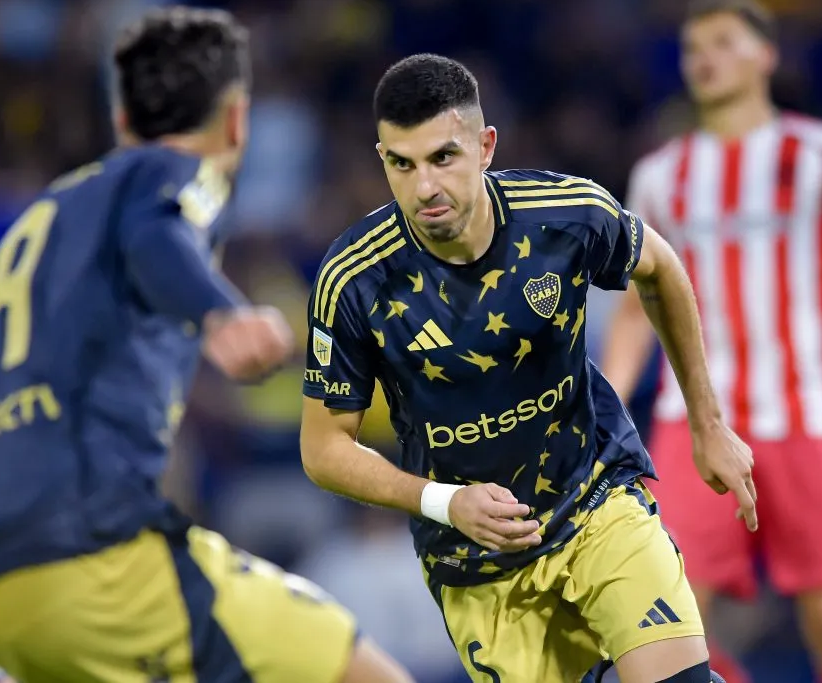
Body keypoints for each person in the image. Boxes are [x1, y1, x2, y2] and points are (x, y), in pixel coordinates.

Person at [0, 6, 413, 683]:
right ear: (237, 120)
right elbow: (157, 230)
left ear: (121, 118)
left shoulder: (39, 227)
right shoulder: (170, 172)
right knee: (359, 669)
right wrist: (222, 314)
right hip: (97, 560)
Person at [299, 52, 751, 683]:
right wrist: (444, 501)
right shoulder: (353, 279)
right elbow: (323, 448)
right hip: (475, 558)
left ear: (485, 147)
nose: (424, 187)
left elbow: (662, 268)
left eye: (443, 157)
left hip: (596, 503)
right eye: (402, 164)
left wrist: (708, 423)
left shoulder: (564, 214)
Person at [601, 0, 822, 683]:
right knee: (667, 623)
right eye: (693, 48)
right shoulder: (659, 175)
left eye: (724, 42)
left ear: (766, 55)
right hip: (691, 422)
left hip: (802, 417)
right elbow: (637, 309)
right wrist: (604, 406)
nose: (706, 58)